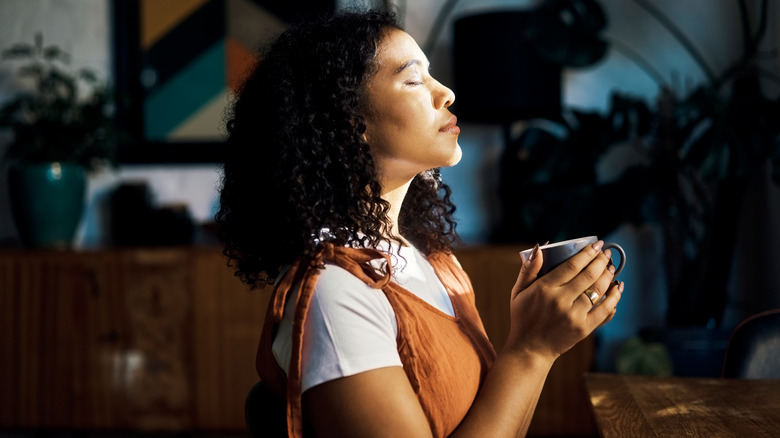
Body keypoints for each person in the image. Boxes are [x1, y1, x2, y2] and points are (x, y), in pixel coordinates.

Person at [216, 9, 623, 438]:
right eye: (414, 80)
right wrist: (532, 350)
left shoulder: (433, 264)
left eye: (433, 76)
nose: (446, 92)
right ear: (350, 122)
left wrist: (537, 342)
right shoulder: (336, 296)